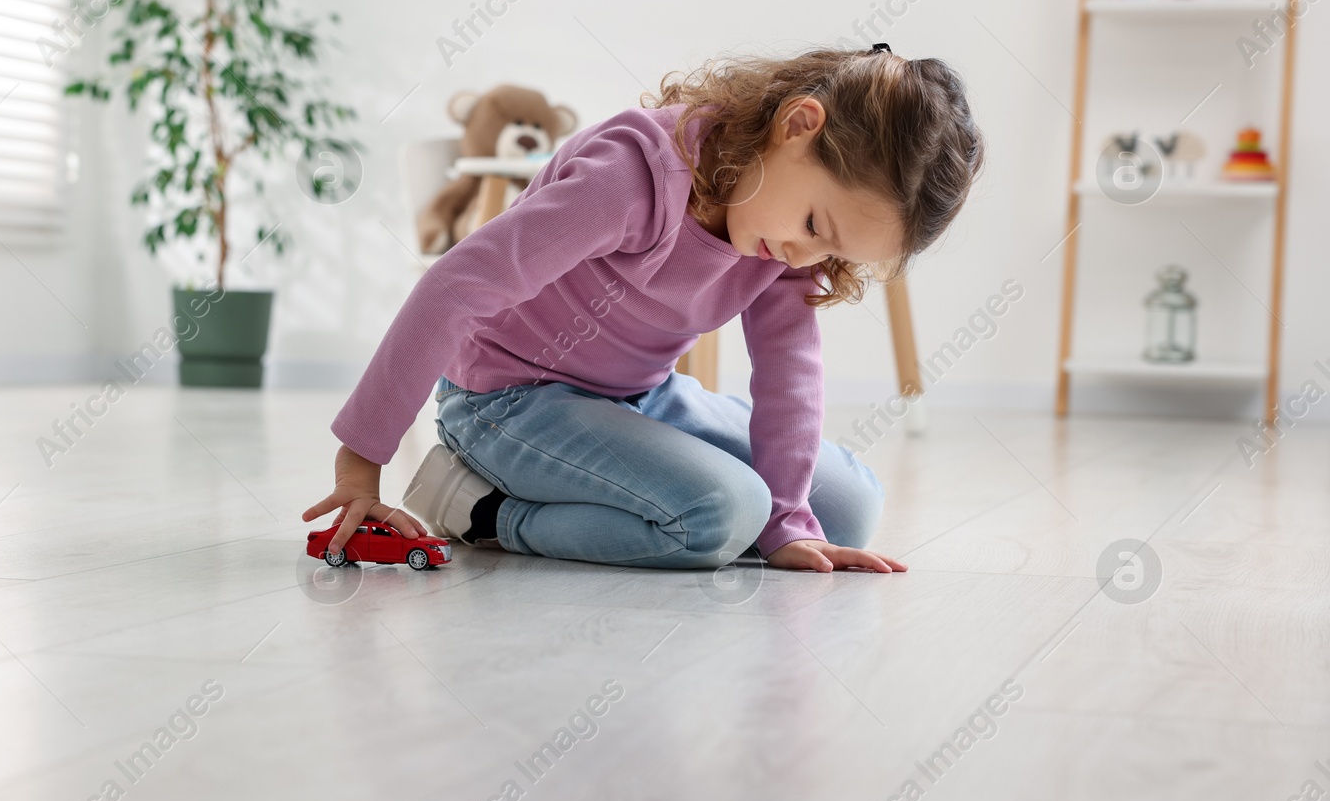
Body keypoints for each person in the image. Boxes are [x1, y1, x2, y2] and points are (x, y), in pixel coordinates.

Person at [302, 45, 984, 572]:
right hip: (507, 401)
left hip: (640, 397)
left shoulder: (785, 246)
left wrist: (788, 524)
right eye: (814, 224)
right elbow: (459, 285)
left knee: (846, 507)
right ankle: (482, 509)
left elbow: (790, 374)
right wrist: (361, 460)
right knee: (723, 511)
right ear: (798, 126)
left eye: (834, 253)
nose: (804, 260)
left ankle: (655, 498)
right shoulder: (633, 177)